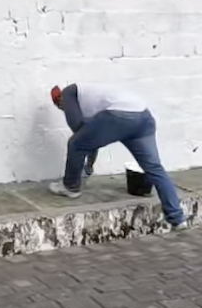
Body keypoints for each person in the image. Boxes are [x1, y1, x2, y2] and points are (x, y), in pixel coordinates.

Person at [50, 83, 187, 230]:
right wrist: (88, 166)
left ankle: (70, 187)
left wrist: (88, 168)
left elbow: (79, 133)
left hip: (120, 116)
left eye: (61, 107)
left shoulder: (67, 94)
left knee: (75, 144)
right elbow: (89, 138)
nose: (64, 110)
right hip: (143, 116)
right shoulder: (90, 97)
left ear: (59, 101)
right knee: (154, 167)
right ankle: (177, 218)